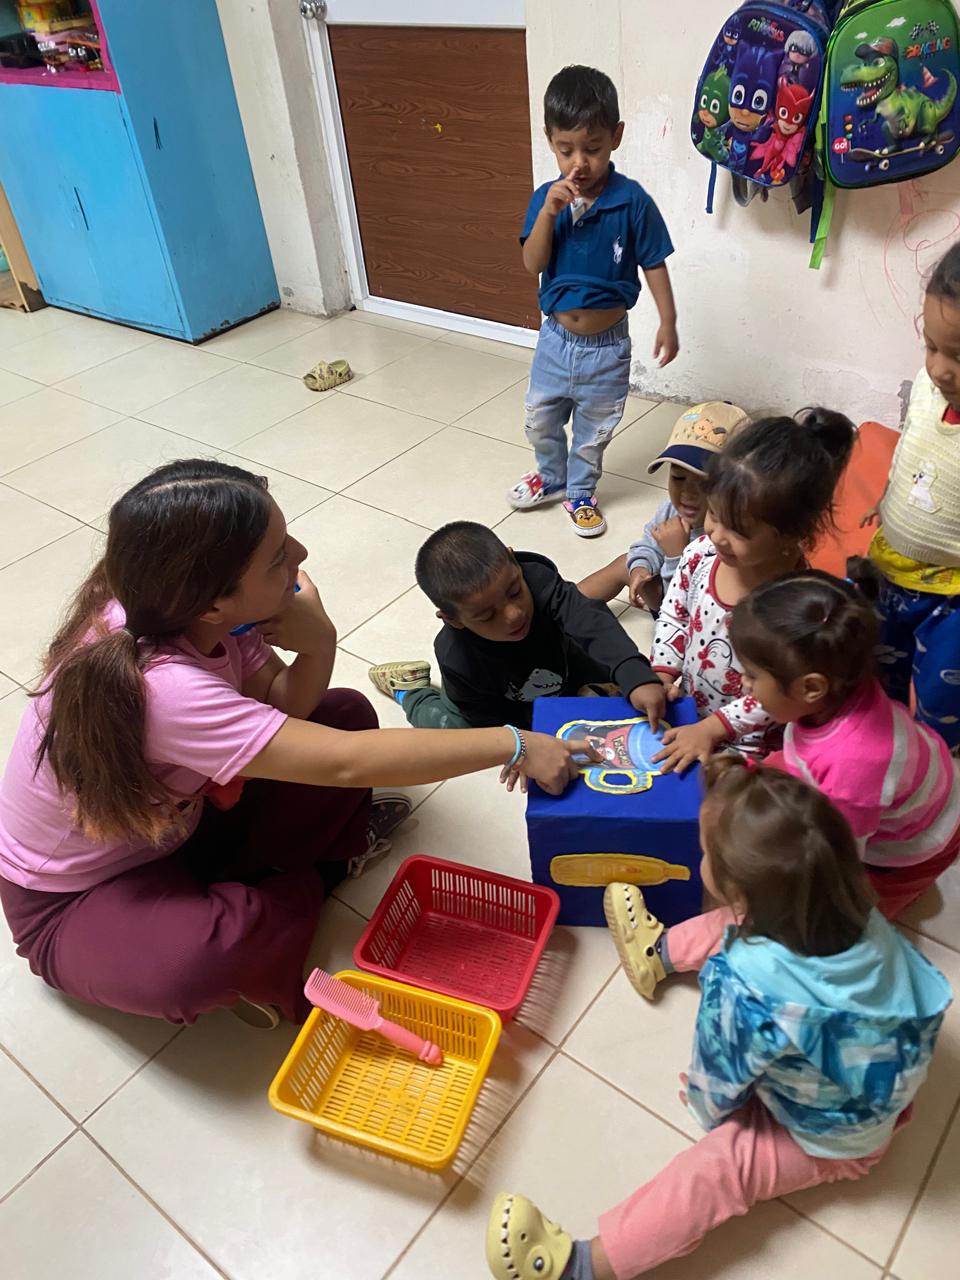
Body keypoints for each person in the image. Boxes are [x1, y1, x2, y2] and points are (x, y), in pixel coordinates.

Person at [0, 461, 597, 1029]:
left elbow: (287, 707)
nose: (301, 555)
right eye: (278, 557)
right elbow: (344, 764)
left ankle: (258, 898)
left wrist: (317, 643)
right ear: (214, 600)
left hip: (177, 826)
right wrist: (514, 743)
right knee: (200, 960)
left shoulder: (180, 604)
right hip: (76, 897)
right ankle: (286, 895)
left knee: (346, 713)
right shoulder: (163, 686)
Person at [487, 758, 951, 1280]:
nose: (701, 856)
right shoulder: (846, 905)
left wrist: (710, 1109)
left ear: (736, 887)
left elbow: (719, 1075)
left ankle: (581, 1267)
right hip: (866, 1073)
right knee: (734, 927)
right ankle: (657, 954)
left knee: (720, 1171)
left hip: (831, 1137)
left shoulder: (744, 986)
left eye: (705, 852)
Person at [507, 64, 679, 538]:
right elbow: (532, 263)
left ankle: (580, 490)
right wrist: (549, 214)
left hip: (607, 348)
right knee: (539, 420)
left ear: (616, 137)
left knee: (593, 432)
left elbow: (654, 263)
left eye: (593, 148)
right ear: (550, 140)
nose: (579, 163)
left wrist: (668, 321)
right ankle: (551, 475)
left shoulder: (633, 202)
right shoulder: (546, 199)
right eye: (566, 150)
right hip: (555, 341)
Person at [729, 570, 960, 919]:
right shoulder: (842, 677)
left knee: (857, 912)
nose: (743, 683)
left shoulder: (852, 772)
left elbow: (839, 860)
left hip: (914, 846)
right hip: (911, 784)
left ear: (810, 688)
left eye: (752, 675)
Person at [651, 408, 855, 772]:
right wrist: (663, 671)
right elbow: (674, 613)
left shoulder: (796, 604)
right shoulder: (699, 554)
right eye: (714, 514)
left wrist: (713, 730)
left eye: (738, 530)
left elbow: (782, 690)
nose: (716, 535)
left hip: (750, 744)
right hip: (689, 712)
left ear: (791, 535)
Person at [368, 521, 666, 734]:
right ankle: (411, 691)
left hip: (556, 666)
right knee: (457, 732)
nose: (513, 615)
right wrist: (527, 743)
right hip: (489, 702)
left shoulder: (537, 578)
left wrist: (634, 675)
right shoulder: (458, 658)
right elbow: (490, 724)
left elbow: (587, 618)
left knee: (610, 666)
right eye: (487, 615)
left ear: (514, 561)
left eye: (514, 592)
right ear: (453, 619)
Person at [862, 241, 960, 750]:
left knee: (942, 707)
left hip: (953, 600)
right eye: (932, 346)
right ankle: (888, 754)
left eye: (959, 356)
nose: (940, 368)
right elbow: (915, 449)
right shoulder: (928, 385)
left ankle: (938, 768)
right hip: (890, 571)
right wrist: (890, 499)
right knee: (876, 677)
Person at [578, 402, 746, 612]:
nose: (687, 493)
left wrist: (676, 555)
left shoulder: (726, 536)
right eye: (678, 477)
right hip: (667, 597)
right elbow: (647, 546)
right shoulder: (670, 510)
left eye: (704, 483)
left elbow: (700, 603)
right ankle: (560, 606)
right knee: (626, 563)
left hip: (692, 616)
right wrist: (640, 568)